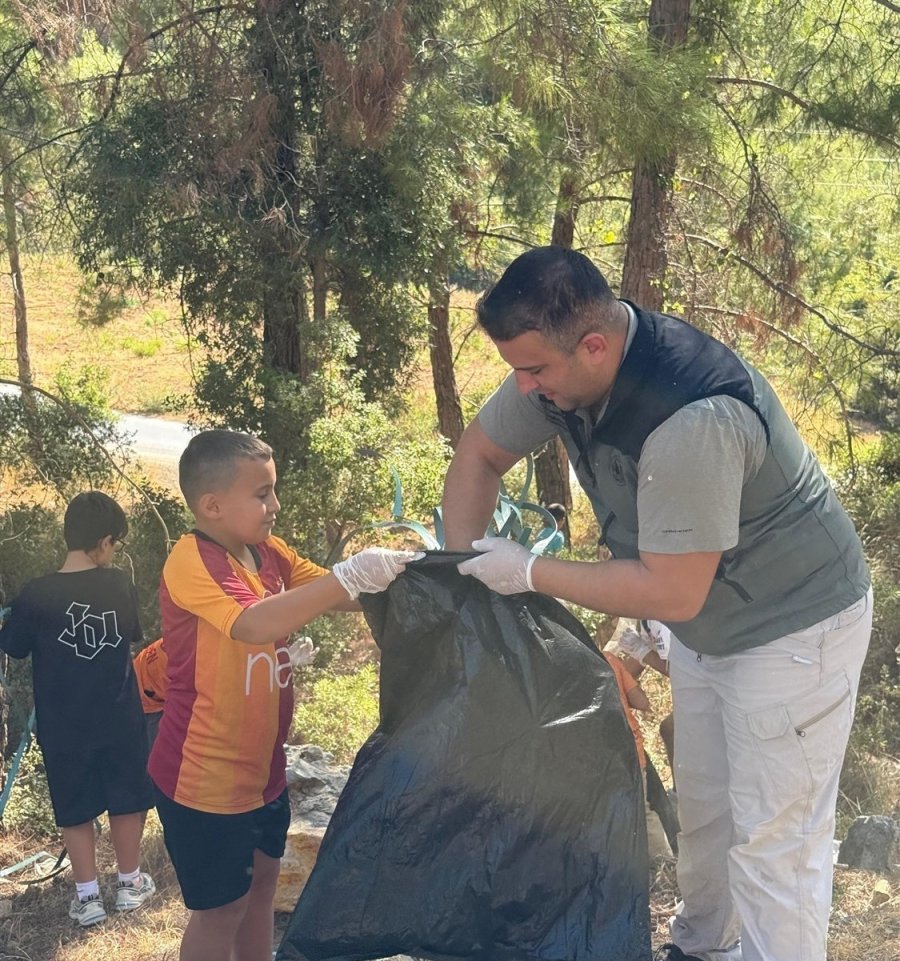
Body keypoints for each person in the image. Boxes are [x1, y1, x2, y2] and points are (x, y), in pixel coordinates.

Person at [441, 246, 872, 961]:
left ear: (594, 345)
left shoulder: (690, 421)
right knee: (707, 812)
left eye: (535, 369)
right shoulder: (563, 374)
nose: (523, 386)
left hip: (794, 628)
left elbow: (671, 588)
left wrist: (529, 570)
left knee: (776, 847)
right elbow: (479, 453)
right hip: (705, 622)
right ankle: (702, 948)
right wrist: (462, 574)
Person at [148, 429, 419, 961]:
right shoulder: (192, 560)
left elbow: (329, 590)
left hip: (263, 771)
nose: (275, 505)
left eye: (274, 490)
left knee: (261, 891)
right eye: (262, 493)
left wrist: (408, 574)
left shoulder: (266, 552)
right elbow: (253, 623)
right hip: (202, 777)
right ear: (212, 505)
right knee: (220, 912)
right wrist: (349, 577)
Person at [0, 492, 156, 927]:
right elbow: (130, 635)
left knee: (74, 804)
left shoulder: (37, 593)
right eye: (116, 544)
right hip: (119, 715)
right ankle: (129, 883)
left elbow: (14, 646)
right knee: (126, 798)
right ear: (104, 542)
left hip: (63, 723)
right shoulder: (119, 585)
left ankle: (87, 897)